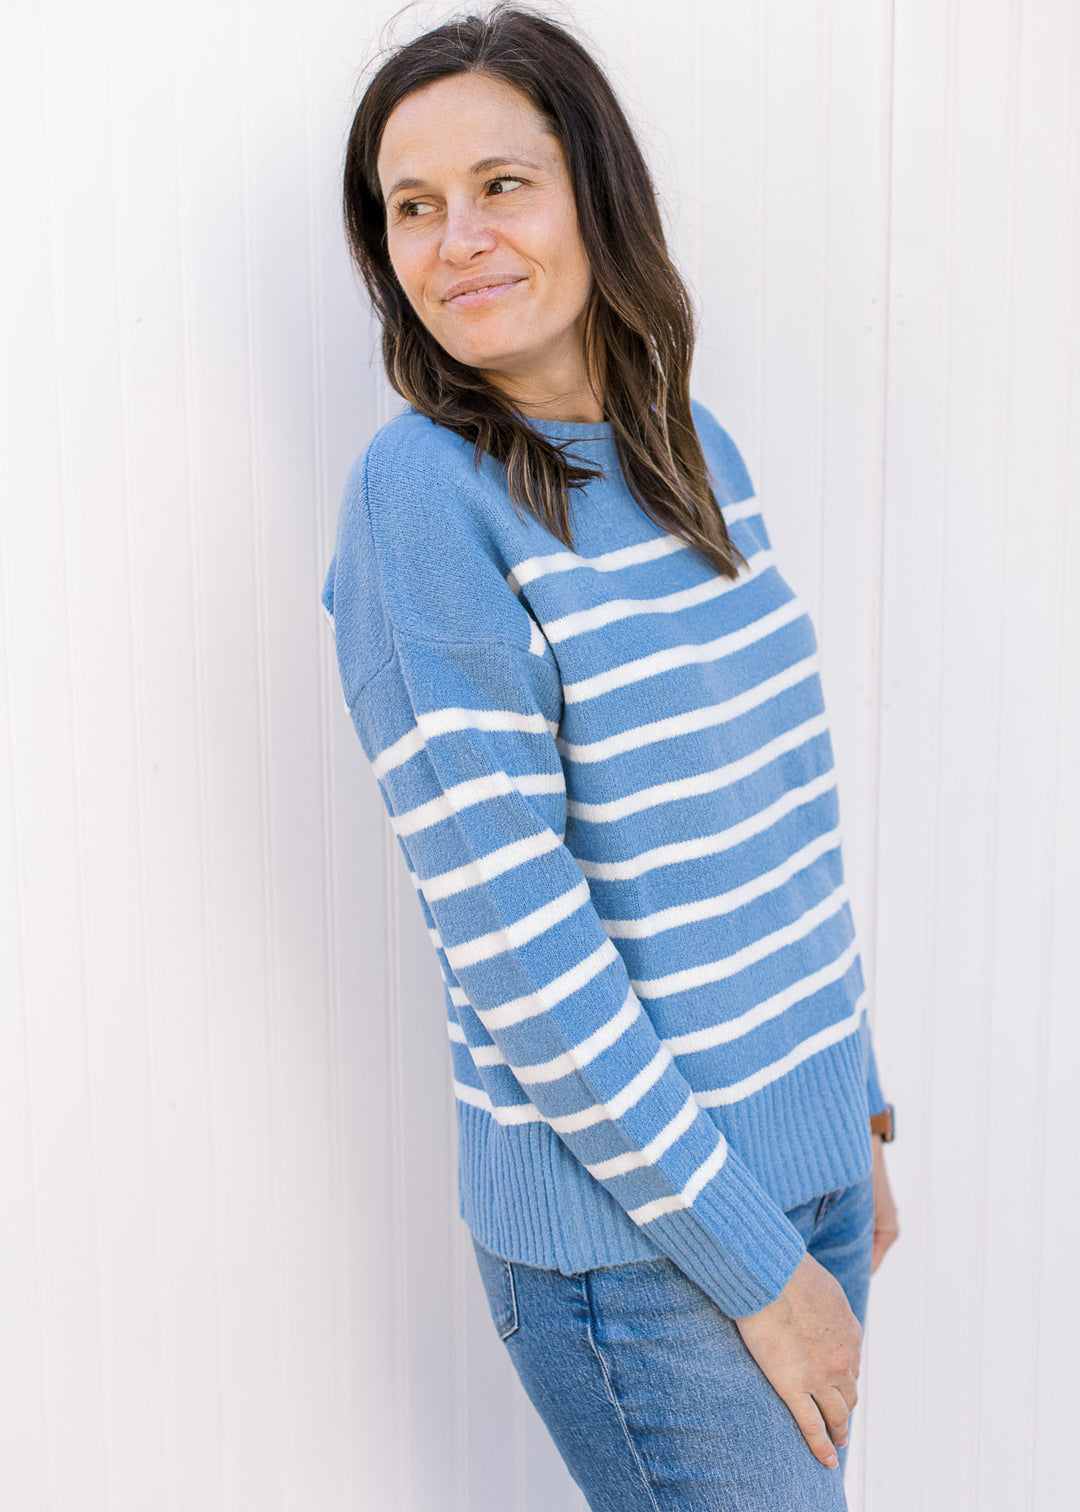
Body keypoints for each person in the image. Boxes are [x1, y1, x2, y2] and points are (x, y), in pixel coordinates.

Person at [322, 7, 900, 1508]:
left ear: (595, 190)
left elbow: (776, 809)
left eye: (502, 183)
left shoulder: (687, 447)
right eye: (412, 207)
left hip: (808, 1176)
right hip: (647, 1247)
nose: (457, 239)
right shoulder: (422, 502)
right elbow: (521, 947)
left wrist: (859, 1105)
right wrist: (755, 1264)